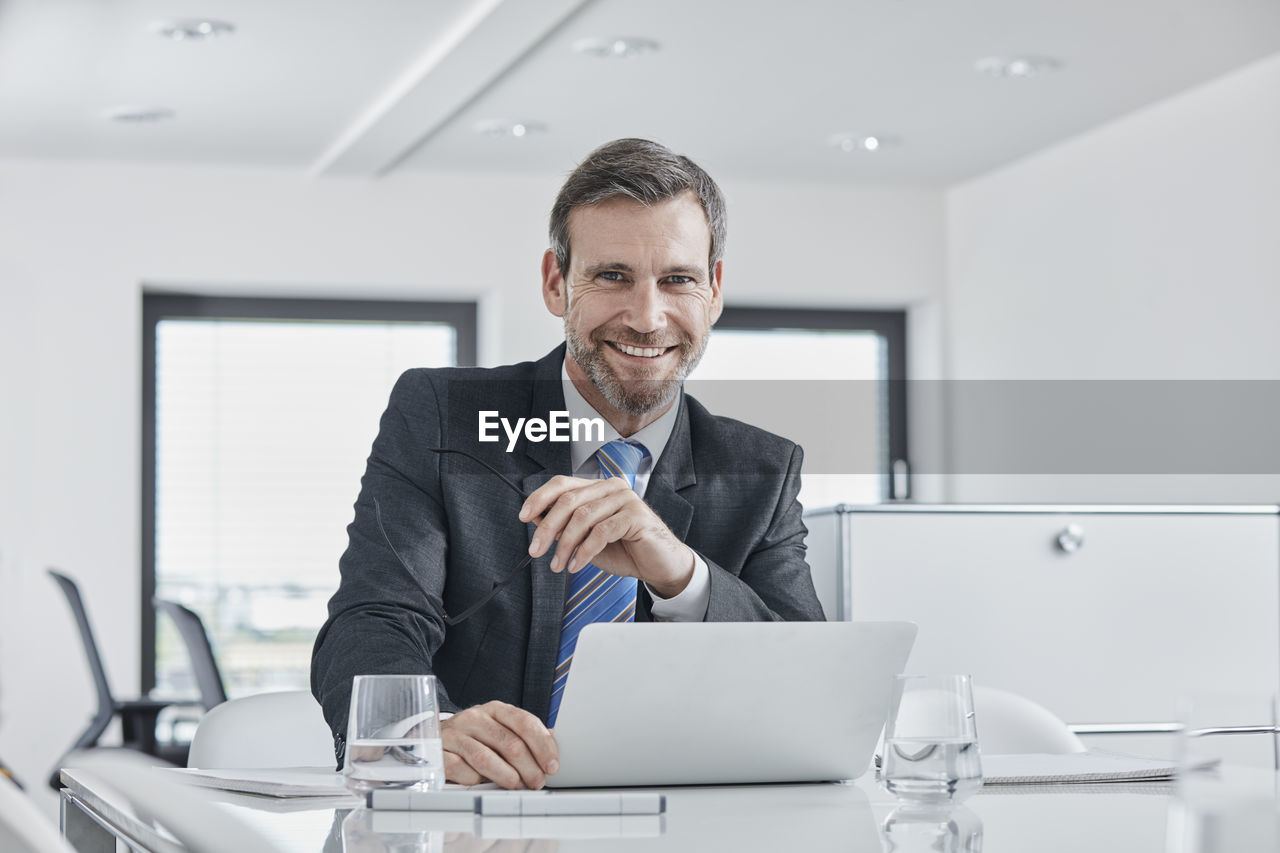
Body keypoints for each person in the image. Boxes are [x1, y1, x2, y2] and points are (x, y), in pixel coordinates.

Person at [311, 138, 825, 790]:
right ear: (556, 282)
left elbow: (809, 685)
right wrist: (416, 733)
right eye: (612, 275)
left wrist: (682, 575)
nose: (646, 316)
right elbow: (374, 618)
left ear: (714, 290)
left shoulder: (762, 470)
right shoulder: (442, 417)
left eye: (678, 279)